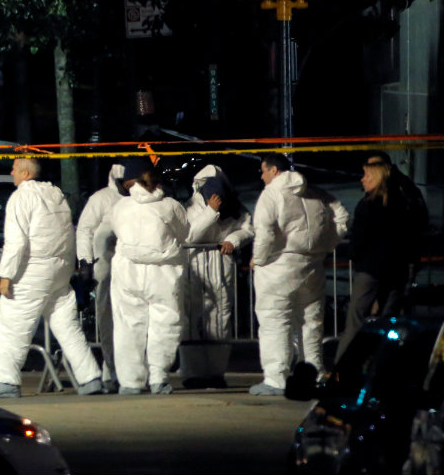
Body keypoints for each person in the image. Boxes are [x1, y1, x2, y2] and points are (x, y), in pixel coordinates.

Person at [0, 158, 105, 398]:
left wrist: (6, 274)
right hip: (59, 272)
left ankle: (7, 382)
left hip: (31, 273)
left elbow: (17, 241)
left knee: (10, 327)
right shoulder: (56, 195)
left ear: (25, 174)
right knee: (66, 325)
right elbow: (68, 232)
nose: (11, 172)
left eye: (14, 168)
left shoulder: (21, 198)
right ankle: (90, 377)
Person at [250, 153, 349, 396]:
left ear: (274, 171)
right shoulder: (316, 193)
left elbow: (265, 232)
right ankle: (314, 371)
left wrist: (260, 259)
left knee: (275, 321)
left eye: (263, 171)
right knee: (311, 322)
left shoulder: (271, 194)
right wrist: (326, 245)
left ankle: (276, 378)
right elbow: (343, 219)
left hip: (278, 268)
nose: (262, 176)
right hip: (312, 266)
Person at [105, 157, 190, 395]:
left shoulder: (120, 207)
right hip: (163, 272)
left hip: (128, 272)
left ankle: (130, 382)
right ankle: (159, 377)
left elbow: (116, 230)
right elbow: (184, 232)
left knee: (128, 326)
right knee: (165, 325)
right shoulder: (171, 205)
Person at [335, 152, 428, 360]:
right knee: (388, 319)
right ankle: (384, 364)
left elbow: (358, 240)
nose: (362, 180)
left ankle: (343, 368)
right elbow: (417, 228)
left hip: (370, 269)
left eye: (366, 176)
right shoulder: (404, 201)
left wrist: (357, 259)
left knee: (356, 319)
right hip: (397, 269)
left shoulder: (367, 205)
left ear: (376, 177)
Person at [180, 164, 254, 388]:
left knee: (221, 318)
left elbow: (247, 228)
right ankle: (192, 373)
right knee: (192, 319)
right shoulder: (190, 207)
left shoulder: (234, 206)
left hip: (220, 263)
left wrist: (234, 239)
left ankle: (216, 372)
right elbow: (190, 235)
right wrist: (210, 212)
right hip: (194, 263)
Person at [75, 163, 128, 393]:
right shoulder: (101, 198)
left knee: (129, 321)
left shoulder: (136, 200)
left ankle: (127, 371)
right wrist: (85, 261)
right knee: (107, 319)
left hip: (129, 267)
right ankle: (111, 370)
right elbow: (84, 229)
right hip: (105, 268)